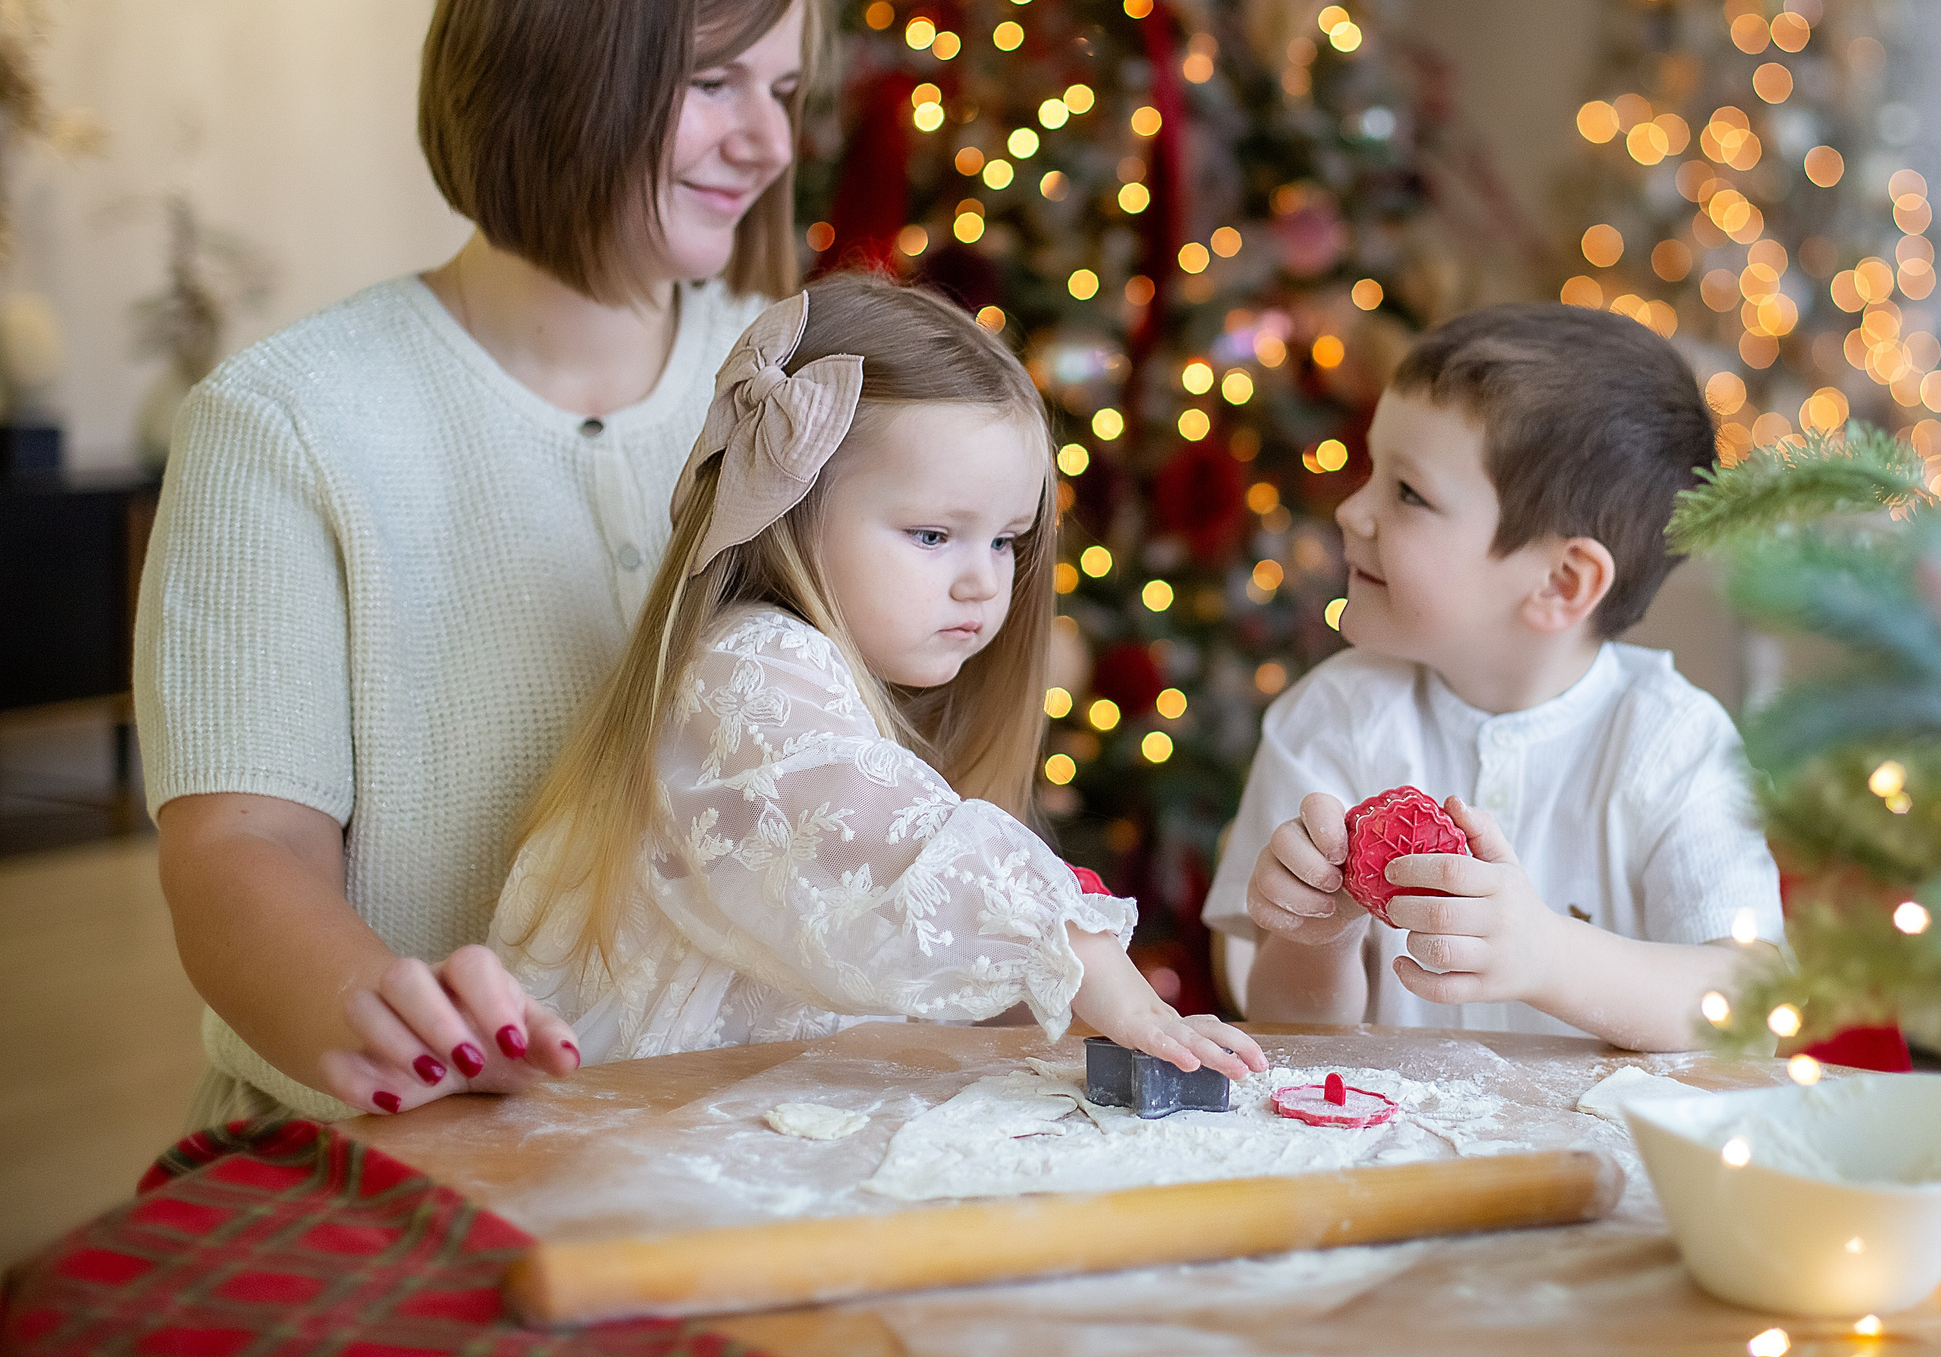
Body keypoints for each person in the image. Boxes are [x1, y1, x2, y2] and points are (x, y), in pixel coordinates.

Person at [139, 0, 812, 1122]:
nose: (770, 141)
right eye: (712, 80)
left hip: (737, 1139)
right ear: (554, 69)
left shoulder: (805, 387)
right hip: (387, 1155)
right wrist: (389, 1021)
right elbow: (242, 846)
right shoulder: (285, 422)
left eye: (784, 89)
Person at [491, 277, 1266, 1080]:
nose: (983, 581)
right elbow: (882, 843)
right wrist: (1084, 956)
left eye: (1005, 540)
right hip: (629, 1126)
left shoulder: (844, 682)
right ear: (793, 509)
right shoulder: (747, 668)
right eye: (933, 534)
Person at [1202, 303, 1785, 1052]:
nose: (1351, 510)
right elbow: (1286, 1029)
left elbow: (1751, 1005)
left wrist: (1546, 953)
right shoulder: (1332, 720)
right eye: (1373, 471)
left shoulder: (1673, 742)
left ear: (1561, 582)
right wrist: (1317, 937)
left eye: (1408, 493)